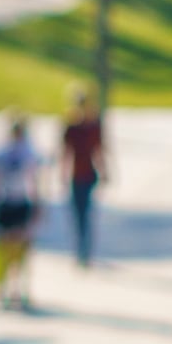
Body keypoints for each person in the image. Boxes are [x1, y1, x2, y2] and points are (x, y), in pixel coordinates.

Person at [0, 114, 39, 308]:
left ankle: (14, 290)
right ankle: (14, 290)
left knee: (11, 250)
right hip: (14, 202)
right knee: (16, 250)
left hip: (13, 202)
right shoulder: (24, 152)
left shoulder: (8, 152)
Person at [55, 90, 109, 268]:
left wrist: (103, 171)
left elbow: (98, 151)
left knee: (85, 213)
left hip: (88, 174)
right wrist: (63, 173)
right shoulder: (71, 127)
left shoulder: (93, 126)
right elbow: (65, 153)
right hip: (76, 175)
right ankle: (81, 250)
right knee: (78, 214)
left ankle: (85, 250)